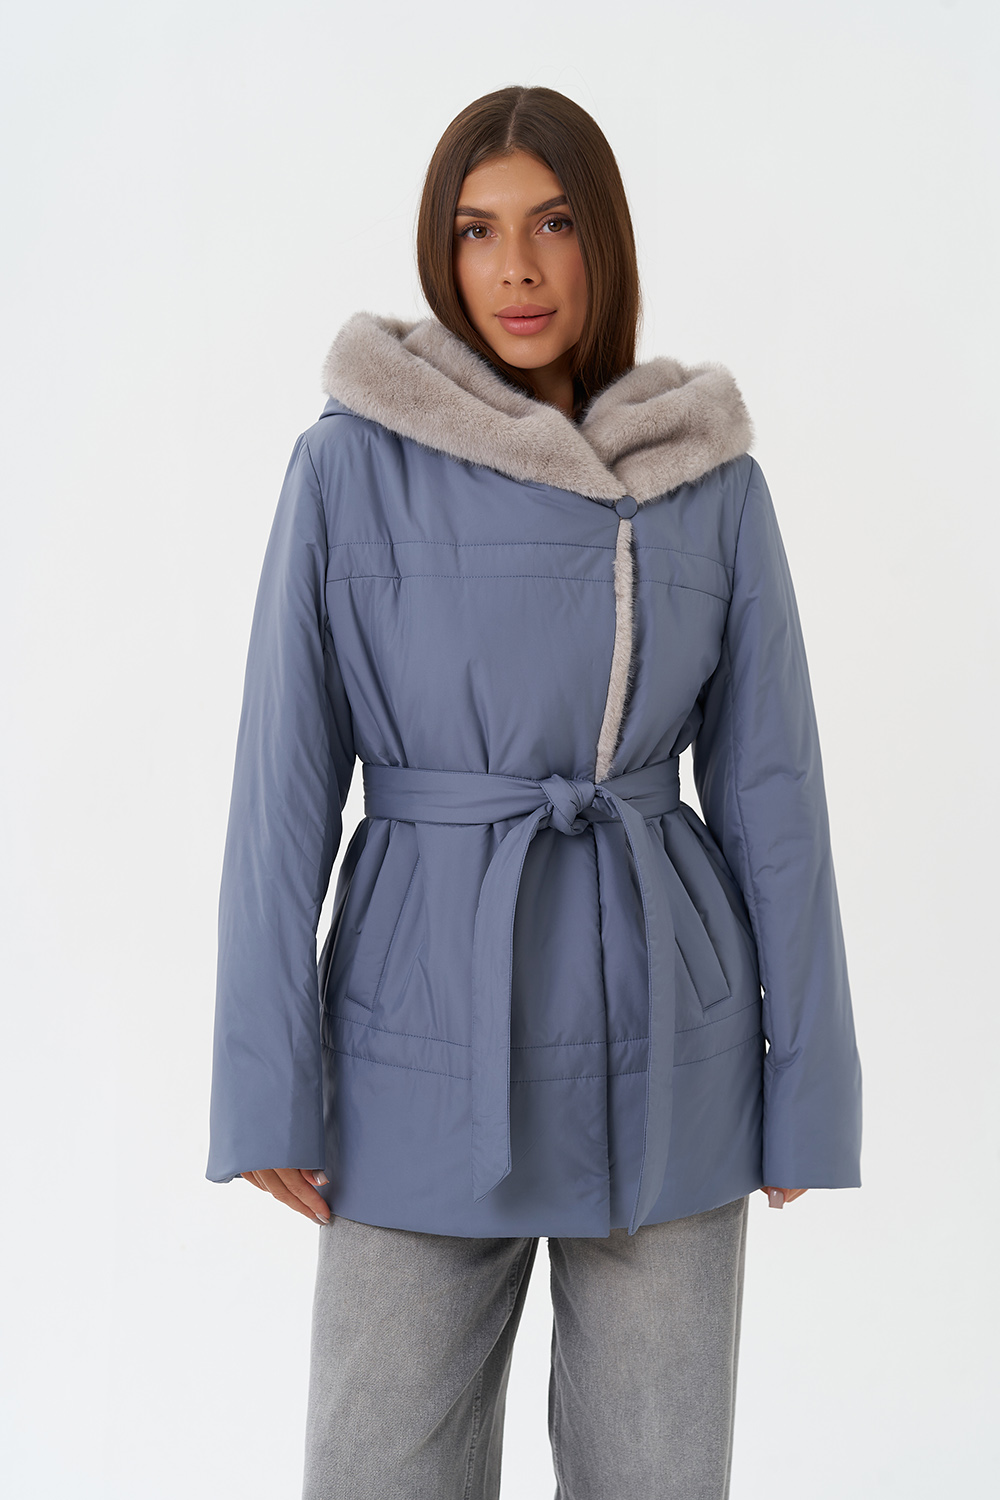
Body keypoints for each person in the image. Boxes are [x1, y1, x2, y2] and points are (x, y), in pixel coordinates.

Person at [206, 85, 862, 1500]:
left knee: (659, 1477)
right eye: (477, 230)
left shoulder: (705, 479)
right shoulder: (349, 466)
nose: (516, 267)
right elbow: (282, 786)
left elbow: (776, 796)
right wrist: (265, 1084)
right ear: (439, 252)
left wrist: (807, 1080)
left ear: (604, 241)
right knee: (378, 1470)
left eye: (552, 224)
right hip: (418, 1033)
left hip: (669, 1046)